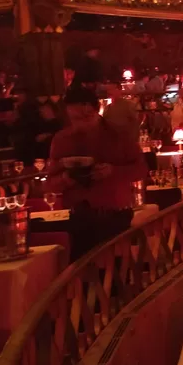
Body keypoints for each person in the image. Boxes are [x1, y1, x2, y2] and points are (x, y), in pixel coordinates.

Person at [46, 87, 147, 260]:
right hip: (80, 218)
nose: (80, 124)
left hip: (115, 215)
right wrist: (66, 178)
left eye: (85, 117)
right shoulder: (62, 139)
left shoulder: (118, 135)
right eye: (75, 119)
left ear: (96, 110)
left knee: (116, 275)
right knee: (82, 278)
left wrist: (113, 171)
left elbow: (141, 169)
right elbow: (50, 184)